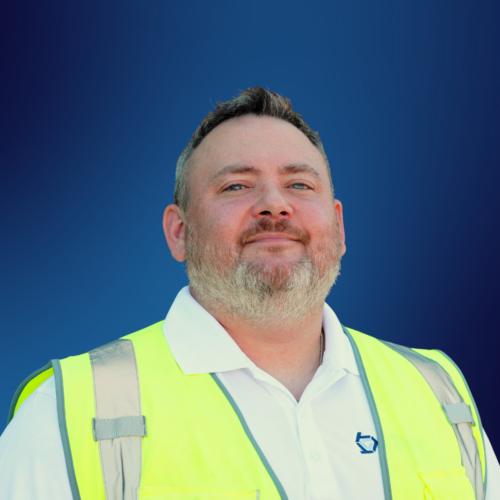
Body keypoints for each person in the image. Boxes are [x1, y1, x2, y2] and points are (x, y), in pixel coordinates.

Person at [0, 86, 498, 500]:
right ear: (179, 232)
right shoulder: (67, 413)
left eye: (299, 185)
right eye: (236, 186)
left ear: (339, 227)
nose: (274, 206)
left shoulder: (438, 391)